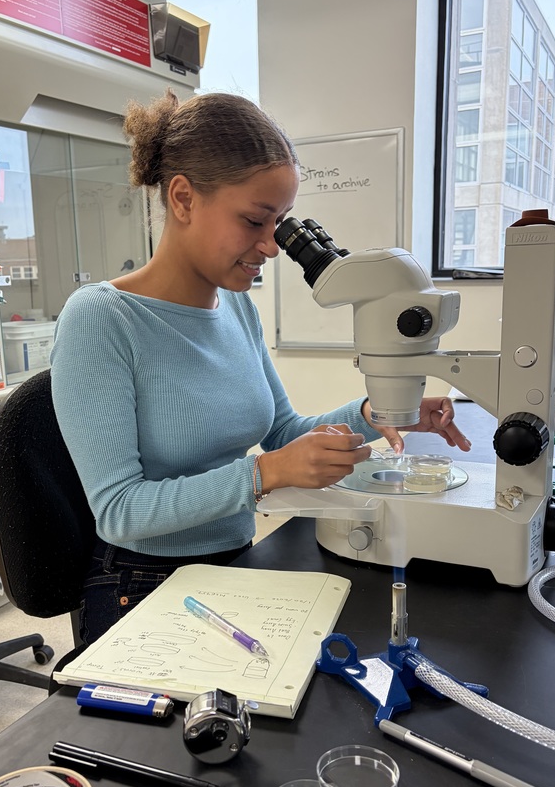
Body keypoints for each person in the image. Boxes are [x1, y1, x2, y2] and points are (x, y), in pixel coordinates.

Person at [50, 89, 470, 645]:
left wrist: (380, 411)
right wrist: (266, 474)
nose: (272, 246)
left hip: (240, 559)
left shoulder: (237, 307)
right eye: (254, 220)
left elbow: (284, 432)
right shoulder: (101, 320)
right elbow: (120, 510)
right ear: (182, 199)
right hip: (143, 582)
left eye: (281, 223)